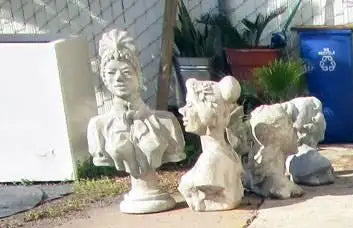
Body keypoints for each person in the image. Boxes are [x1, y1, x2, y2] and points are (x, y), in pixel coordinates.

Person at [86, 30, 184, 213]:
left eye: (125, 72)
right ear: (104, 78)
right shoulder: (97, 127)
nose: (118, 79)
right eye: (111, 72)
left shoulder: (166, 122)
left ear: (138, 74)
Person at [178, 76, 244, 212]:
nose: (181, 110)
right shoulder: (228, 153)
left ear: (207, 113)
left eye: (190, 105)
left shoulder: (210, 161)